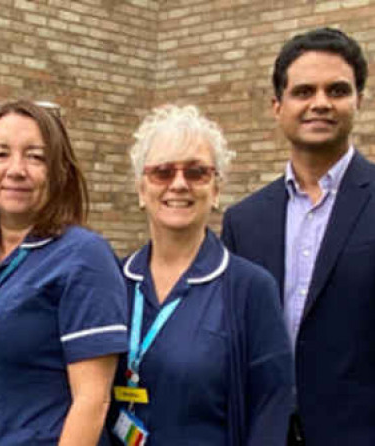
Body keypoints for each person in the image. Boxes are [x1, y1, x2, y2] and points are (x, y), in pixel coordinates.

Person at [221, 27, 375, 445]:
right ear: (277, 106)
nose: (320, 103)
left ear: (359, 101)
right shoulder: (244, 220)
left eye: (338, 90)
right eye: (304, 91)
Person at [0, 100, 128, 445]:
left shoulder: (84, 257)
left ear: (59, 171)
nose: (16, 169)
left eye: (35, 156)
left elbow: (92, 401)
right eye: (1, 154)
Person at [109, 104, 294, 445]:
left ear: (216, 190)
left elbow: (270, 409)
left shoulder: (250, 289)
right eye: (162, 172)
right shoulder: (112, 282)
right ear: (140, 189)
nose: (179, 184)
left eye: (196, 173)